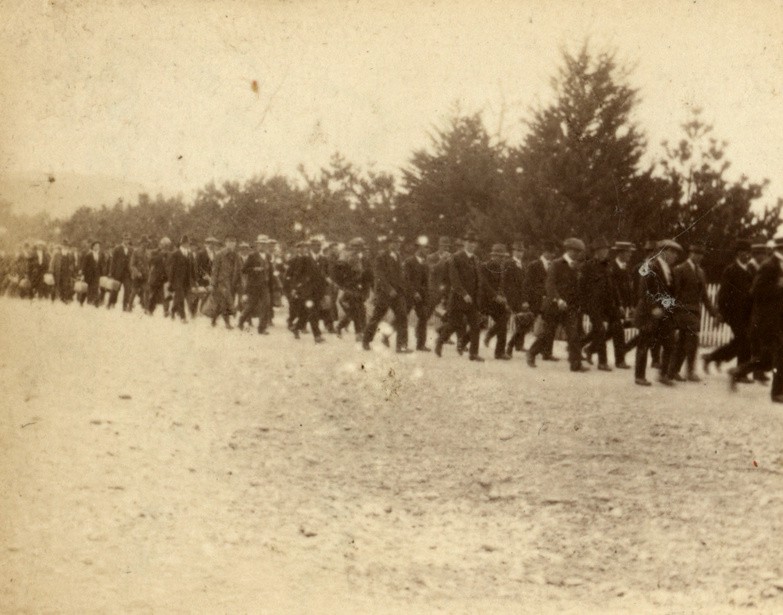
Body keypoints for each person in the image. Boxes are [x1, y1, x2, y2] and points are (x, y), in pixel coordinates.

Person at [729, 237, 783, 402]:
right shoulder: (769, 266)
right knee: (779, 356)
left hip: (777, 320)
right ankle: (777, 393)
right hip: (767, 321)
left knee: (767, 360)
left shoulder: (779, 267)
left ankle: (739, 371)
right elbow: (755, 291)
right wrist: (779, 287)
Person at [528, 237, 587, 372]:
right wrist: (558, 299)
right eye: (577, 251)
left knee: (573, 335)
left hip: (569, 308)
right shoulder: (556, 264)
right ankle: (531, 353)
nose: (579, 254)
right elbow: (550, 284)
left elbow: (576, 288)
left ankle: (575, 364)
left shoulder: (575, 266)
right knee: (548, 334)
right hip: (554, 306)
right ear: (569, 250)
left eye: (580, 252)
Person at [666, 242, 720, 382]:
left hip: (695, 312)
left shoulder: (701, 272)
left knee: (683, 343)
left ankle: (673, 371)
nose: (699, 257)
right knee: (692, 341)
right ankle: (689, 371)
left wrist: (714, 313)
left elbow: (704, 297)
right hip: (682, 311)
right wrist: (673, 311)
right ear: (691, 254)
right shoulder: (680, 269)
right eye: (697, 254)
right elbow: (674, 293)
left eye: (701, 255)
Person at [633, 239, 683, 386]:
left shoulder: (669, 270)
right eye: (672, 252)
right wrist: (654, 307)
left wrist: (668, 307)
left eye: (676, 253)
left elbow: (670, 293)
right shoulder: (651, 265)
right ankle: (639, 376)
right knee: (644, 343)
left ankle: (663, 375)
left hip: (664, 314)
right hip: (649, 313)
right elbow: (645, 290)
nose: (675, 256)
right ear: (663, 252)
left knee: (669, 344)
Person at [703, 240, 755, 379]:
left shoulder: (750, 270)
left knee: (742, 341)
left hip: (747, 314)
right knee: (744, 340)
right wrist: (721, 313)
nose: (748, 255)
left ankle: (712, 357)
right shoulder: (731, 270)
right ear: (738, 253)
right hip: (734, 314)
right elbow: (723, 294)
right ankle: (740, 373)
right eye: (745, 252)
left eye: (749, 253)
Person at [435, 231, 484, 362]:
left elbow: (479, 280)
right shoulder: (456, 257)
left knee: (475, 326)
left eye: (474, 243)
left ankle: (473, 354)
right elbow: (454, 279)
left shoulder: (476, 259)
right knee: (453, 324)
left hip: (472, 300)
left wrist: (477, 296)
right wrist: (464, 293)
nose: (472, 245)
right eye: (469, 242)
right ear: (464, 243)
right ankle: (439, 342)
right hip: (458, 298)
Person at [363, 235, 410, 352]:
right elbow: (380, 276)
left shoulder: (398, 256)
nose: (396, 245)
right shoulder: (381, 257)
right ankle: (366, 340)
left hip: (397, 293)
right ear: (388, 244)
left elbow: (400, 275)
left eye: (398, 243)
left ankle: (401, 346)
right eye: (394, 242)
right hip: (384, 293)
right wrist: (389, 289)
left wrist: (401, 289)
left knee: (402, 317)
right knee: (377, 317)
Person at [580, 238, 617, 371]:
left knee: (604, 330)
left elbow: (609, 287)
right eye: (603, 250)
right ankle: (602, 362)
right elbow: (582, 287)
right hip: (592, 304)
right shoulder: (588, 266)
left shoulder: (607, 266)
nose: (606, 252)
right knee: (600, 330)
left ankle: (586, 348)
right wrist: (585, 305)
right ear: (597, 251)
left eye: (607, 250)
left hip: (605, 305)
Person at [525, 240, 559, 361]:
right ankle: (512, 345)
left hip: (549, 301)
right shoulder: (534, 265)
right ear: (544, 252)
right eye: (550, 253)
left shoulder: (553, 266)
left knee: (550, 326)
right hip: (536, 300)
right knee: (527, 324)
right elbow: (528, 284)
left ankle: (547, 353)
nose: (551, 255)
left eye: (553, 253)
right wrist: (535, 297)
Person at [334, 238, 372, 339]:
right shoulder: (344, 256)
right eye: (356, 246)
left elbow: (367, 273)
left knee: (360, 309)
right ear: (351, 246)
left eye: (359, 247)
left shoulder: (361, 257)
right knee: (355, 308)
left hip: (359, 286)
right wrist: (343, 284)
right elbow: (339, 272)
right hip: (349, 286)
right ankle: (359, 333)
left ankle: (341, 326)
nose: (358, 249)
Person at [480, 243, 512, 360]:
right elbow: (484, 284)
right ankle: (463, 342)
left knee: (503, 321)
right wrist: (495, 296)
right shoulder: (484, 266)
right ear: (493, 256)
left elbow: (500, 286)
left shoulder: (501, 268)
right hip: (484, 300)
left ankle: (499, 352)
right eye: (499, 256)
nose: (502, 259)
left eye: (503, 257)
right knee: (478, 324)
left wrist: (503, 298)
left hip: (496, 301)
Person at [607, 241, 635, 369]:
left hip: (622, 305)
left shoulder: (625, 267)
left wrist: (631, 305)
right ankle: (620, 360)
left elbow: (628, 289)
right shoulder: (611, 267)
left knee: (610, 332)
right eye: (628, 252)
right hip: (612, 304)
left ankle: (588, 348)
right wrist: (618, 305)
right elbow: (612, 289)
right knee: (618, 331)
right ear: (621, 253)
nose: (630, 255)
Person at [503, 240, 533, 357]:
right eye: (517, 251)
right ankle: (510, 346)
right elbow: (505, 282)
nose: (519, 253)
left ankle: (518, 344)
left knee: (525, 321)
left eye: (521, 251)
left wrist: (525, 299)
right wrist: (507, 297)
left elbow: (524, 285)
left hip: (521, 298)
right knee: (523, 320)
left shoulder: (523, 265)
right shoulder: (508, 264)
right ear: (513, 251)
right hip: (512, 298)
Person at [238, 235, 272, 334]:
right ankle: (241, 321)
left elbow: (270, 271)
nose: (263, 246)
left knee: (266, 305)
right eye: (261, 244)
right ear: (257, 245)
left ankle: (262, 328)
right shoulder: (252, 256)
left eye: (265, 244)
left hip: (264, 285)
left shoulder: (268, 256)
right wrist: (254, 269)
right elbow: (244, 270)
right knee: (251, 305)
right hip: (253, 286)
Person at [403, 236, 431, 351]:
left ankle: (421, 344)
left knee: (423, 317)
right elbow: (406, 279)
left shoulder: (425, 264)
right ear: (418, 248)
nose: (427, 250)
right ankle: (387, 335)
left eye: (428, 248)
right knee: (403, 317)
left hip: (421, 296)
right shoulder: (409, 262)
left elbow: (425, 282)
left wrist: (425, 294)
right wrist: (414, 292)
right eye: (425, 248)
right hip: (409, 295)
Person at [210, 236, 242, 329]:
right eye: (230, 242)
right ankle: (227, 323)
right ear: (226, 243)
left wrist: (240, 282)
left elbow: (239, 270)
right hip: (222, 282)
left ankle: (214, 319)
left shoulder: (236, 255)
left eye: (234, 242)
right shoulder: (219, 255)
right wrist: (212, 283)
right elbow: (215, 270)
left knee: (221, 303)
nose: (232, 244)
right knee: (225, 302)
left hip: (232, 282)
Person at [147, 237, 172, 316]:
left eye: (167, 246)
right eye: (164, 245)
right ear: (160, 244)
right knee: (153, 295)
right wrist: (161, 255)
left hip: (165, 278)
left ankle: (166, 311)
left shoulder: (170, 254)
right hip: (155, 278)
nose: (165, 247)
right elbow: (151, 261)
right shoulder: (154, 252)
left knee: (166, 295)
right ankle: (150, 310)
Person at [108, 234, 133, 310]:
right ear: (122, 239)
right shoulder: (117, 249)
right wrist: (111, 272)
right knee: (115, 289)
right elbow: (113, 261)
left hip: (127, 273)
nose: (126, 241)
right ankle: (111, 303)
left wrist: (132, 271)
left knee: (128, 289)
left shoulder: (131, 249)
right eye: (125, 239)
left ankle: (125, 305)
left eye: (128, 239)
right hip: (118, 273)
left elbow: (132, 261)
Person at [127, 236, 150, 311]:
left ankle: (146, 308)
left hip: (145, 275)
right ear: (141, 243)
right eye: (144, 243)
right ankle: (129, 306)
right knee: (134, 291)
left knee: (146, 291)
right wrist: (137, 272)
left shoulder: (148, 252)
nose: (145, 244)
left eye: (146, 242)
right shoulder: (136, 252)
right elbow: (132, 265)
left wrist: (149, 272)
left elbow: (149, 264)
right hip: (137, 276)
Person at [80, 240, 105, 307]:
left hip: (97, 274)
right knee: (88, 288)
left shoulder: (100, 255)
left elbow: (101, 265)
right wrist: (82, 274)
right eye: (96, 246)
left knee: (96, 287)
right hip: (89, 274)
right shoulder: (89, 255)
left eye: (98, 246)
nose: (97, 247)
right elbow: (84, 265)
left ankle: (94, 302)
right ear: (93, 247)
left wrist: (102, 273)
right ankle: (83, 301)